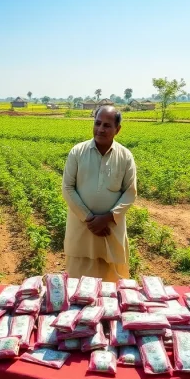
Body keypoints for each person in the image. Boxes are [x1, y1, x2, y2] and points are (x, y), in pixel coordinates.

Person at [62, 105, 137, 282]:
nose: (100, 129)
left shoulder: (125, 156)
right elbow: (67, 188)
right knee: (77, 287)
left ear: (117, 129)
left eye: (107, 125)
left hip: (110, 230)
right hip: (81, 231)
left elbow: (130, 191)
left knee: (111, 288)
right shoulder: (77, 152)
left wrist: (108, 218)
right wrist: (89, 218)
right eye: (97, 123)